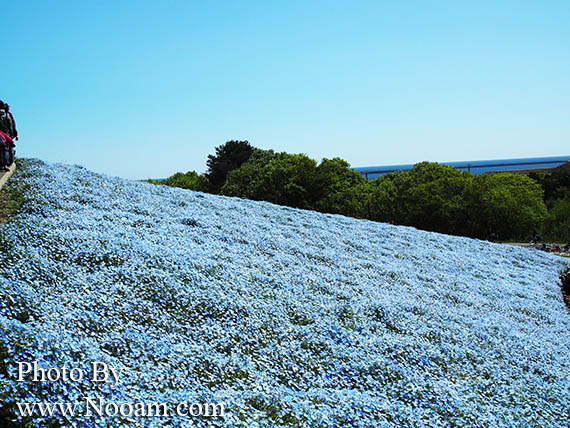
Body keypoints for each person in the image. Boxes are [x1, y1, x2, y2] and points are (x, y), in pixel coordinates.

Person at [0, 100, 16, 170]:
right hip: (6, 134)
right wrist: (12, 135)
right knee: (6, 149)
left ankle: (1, 164)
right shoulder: (7, 115)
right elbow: (11, 126)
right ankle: (6, 164)